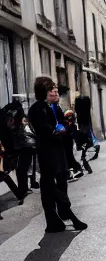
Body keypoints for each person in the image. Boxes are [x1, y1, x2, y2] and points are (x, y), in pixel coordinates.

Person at [28, 77, 87, 233]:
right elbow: (45, 131)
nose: (55, 92)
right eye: (52, 90)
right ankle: (65, 213)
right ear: (46, 92)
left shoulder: (45, 107)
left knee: (51, 186)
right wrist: (59, 132)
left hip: (52, 150)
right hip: (49, 151)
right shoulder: (40, 108)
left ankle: (55, 220)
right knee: (52, 186)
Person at [63, 110, 84, 181]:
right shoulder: (66, 124)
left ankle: (77, 169)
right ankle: (75, 169)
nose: (69, 117)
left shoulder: (72, 124)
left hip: (69, 141)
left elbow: (73, 133)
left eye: (70, 116)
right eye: (68, 116)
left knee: (69, 156)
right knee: (68, 156)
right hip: (66, 141)